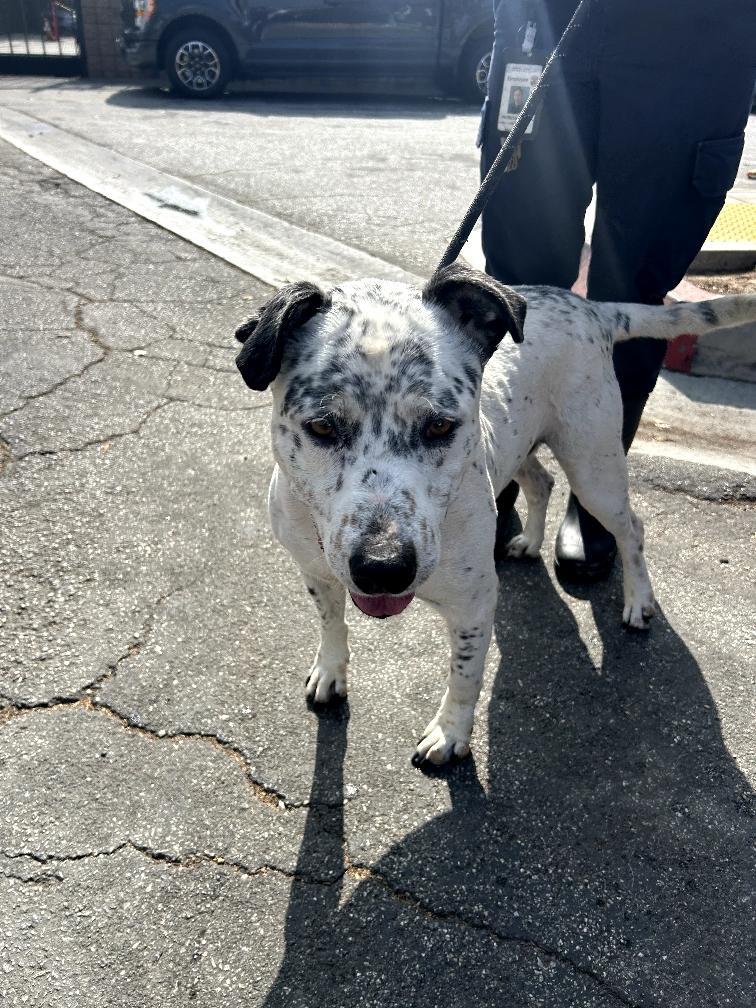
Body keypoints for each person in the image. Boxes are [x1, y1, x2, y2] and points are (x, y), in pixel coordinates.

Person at [480, 0, 756, 581]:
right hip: (550, 18)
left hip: (690, 39)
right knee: (516, 279)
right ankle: (498, 474)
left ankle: (595, 491)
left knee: (631, 288)